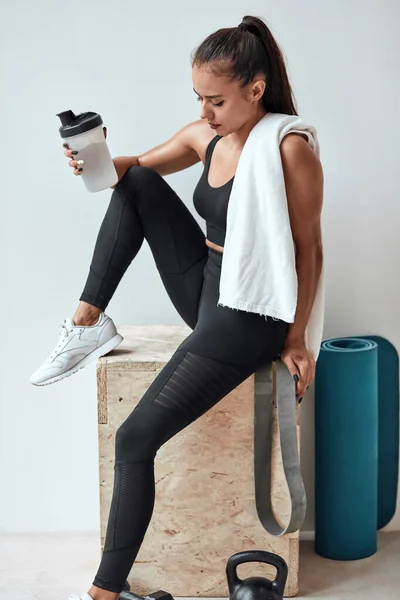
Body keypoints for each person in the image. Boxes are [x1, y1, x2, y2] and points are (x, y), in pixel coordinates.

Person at [34, 15, 323, 600]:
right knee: (137, 183)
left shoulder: (289, 150)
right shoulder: (203, 137)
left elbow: (309, 249)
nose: (205, 110)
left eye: (216, 99)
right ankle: (87, 320)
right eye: (198, 97)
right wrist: (92, 159)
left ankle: (104, 591)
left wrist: (295, 339)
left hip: (250, 317)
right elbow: (126, 172)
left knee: (133, 439)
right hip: (206, 286)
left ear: (256, 89)